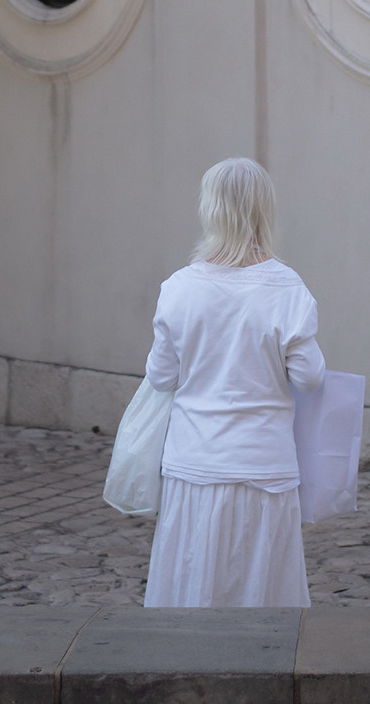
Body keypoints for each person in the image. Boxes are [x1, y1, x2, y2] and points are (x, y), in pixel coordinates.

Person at [141, 158, 325, 609]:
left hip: (194, 463)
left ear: (210, 208)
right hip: (264, 464)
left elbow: (161, 376)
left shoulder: (180, 287)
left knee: (193, 580)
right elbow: (309, 376)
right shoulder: (286, 287)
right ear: (265, 210)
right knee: (262, 589)